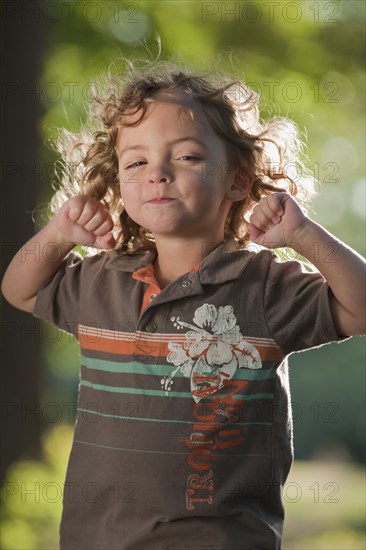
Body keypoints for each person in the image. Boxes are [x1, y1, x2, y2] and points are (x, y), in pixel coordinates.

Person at [2, 61, 365, 550]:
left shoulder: (264, 287)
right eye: (136, 162)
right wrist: (59, 233)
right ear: (118, 183)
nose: (158, 174)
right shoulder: (100, 280)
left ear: (238, 180)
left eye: (188, 157)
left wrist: (303, 235)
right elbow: (18, 289)